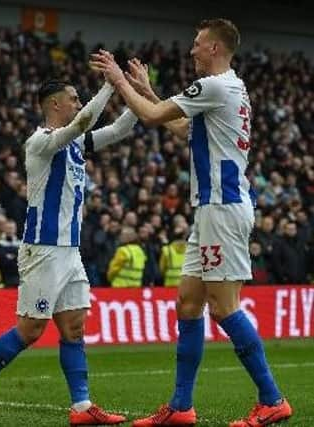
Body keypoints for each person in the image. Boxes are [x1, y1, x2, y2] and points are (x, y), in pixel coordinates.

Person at [90, 19, 292, 426]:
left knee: (222, 306)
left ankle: (272, 399)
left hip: (223, 207)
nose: (191, 51)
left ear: (215, 48)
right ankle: (181, 407)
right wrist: (145, 89)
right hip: (210, 211)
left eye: (198, 44)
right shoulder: (229, 88)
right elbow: (180, 124)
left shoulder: (216, 86)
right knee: (188, 303)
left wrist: (118, 81)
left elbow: (149, 117)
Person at [0, 75, 137, 426]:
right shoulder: (40, 142)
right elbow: (84, 121)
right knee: (31, 330)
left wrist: (137, 94)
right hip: (42, 249)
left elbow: (117, 130)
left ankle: (81, 408)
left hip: (69, 251)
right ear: (55, 104)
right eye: (73, 98)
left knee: (74, 328)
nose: (77, 103)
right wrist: (111, 85)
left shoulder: (74, 145)